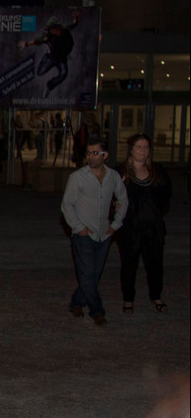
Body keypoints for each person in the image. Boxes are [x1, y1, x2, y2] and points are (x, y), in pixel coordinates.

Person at [61, 135, 128, 326]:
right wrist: (79, 227)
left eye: (95, 153)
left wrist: (115, 225)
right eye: (89, 153)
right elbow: (67, 205)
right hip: (83, 235)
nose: (91, 157)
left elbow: (123, 201)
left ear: (105, 155)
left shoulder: (113, 177)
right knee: (88, 274)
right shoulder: (77, 177)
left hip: (104, 234)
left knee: (93, 275)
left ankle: (76, 302)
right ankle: (97, 311)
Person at [117, 133, 173, 314]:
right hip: (130, 229)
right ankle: (128, 300)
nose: (142, 150)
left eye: (146, 147)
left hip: (152, 228)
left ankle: (156, 296)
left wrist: (153, 212)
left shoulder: (158, 171)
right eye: (138, 147)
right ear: (131, 150)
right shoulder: (121, 172)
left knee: (155, 265)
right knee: (128, 265)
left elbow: (166, 195)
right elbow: (111, 196)